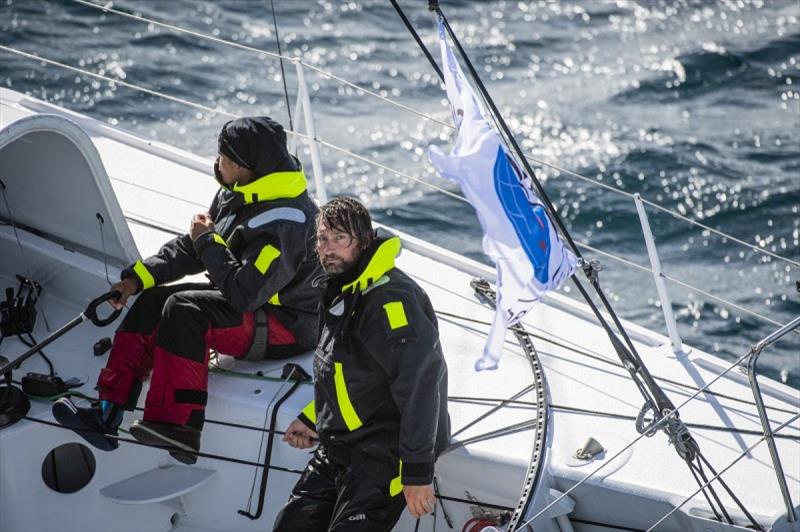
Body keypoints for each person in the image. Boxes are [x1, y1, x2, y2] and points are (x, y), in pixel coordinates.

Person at [53, 116, 322, 463]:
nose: (216, 163)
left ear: (242, 165)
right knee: (152, 301)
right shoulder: (239, 192)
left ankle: (178, 429)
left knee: (185, 310)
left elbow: (244, 294)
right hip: (252, 305)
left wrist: (207, 240)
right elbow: (196, 247)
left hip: (288, 326)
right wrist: (137, 278)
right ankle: (107, 412)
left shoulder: (288, 221)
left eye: (222, 157)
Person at [273, 197, 450, 531]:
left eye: (341, 238)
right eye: (323, 239)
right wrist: (313, 418)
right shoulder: (341, 288)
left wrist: (416, 472)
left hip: (385, 455)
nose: (329, 248)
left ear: (365, 241)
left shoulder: (390, 301)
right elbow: (342, 370)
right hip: (339, 447)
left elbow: (420, 389)